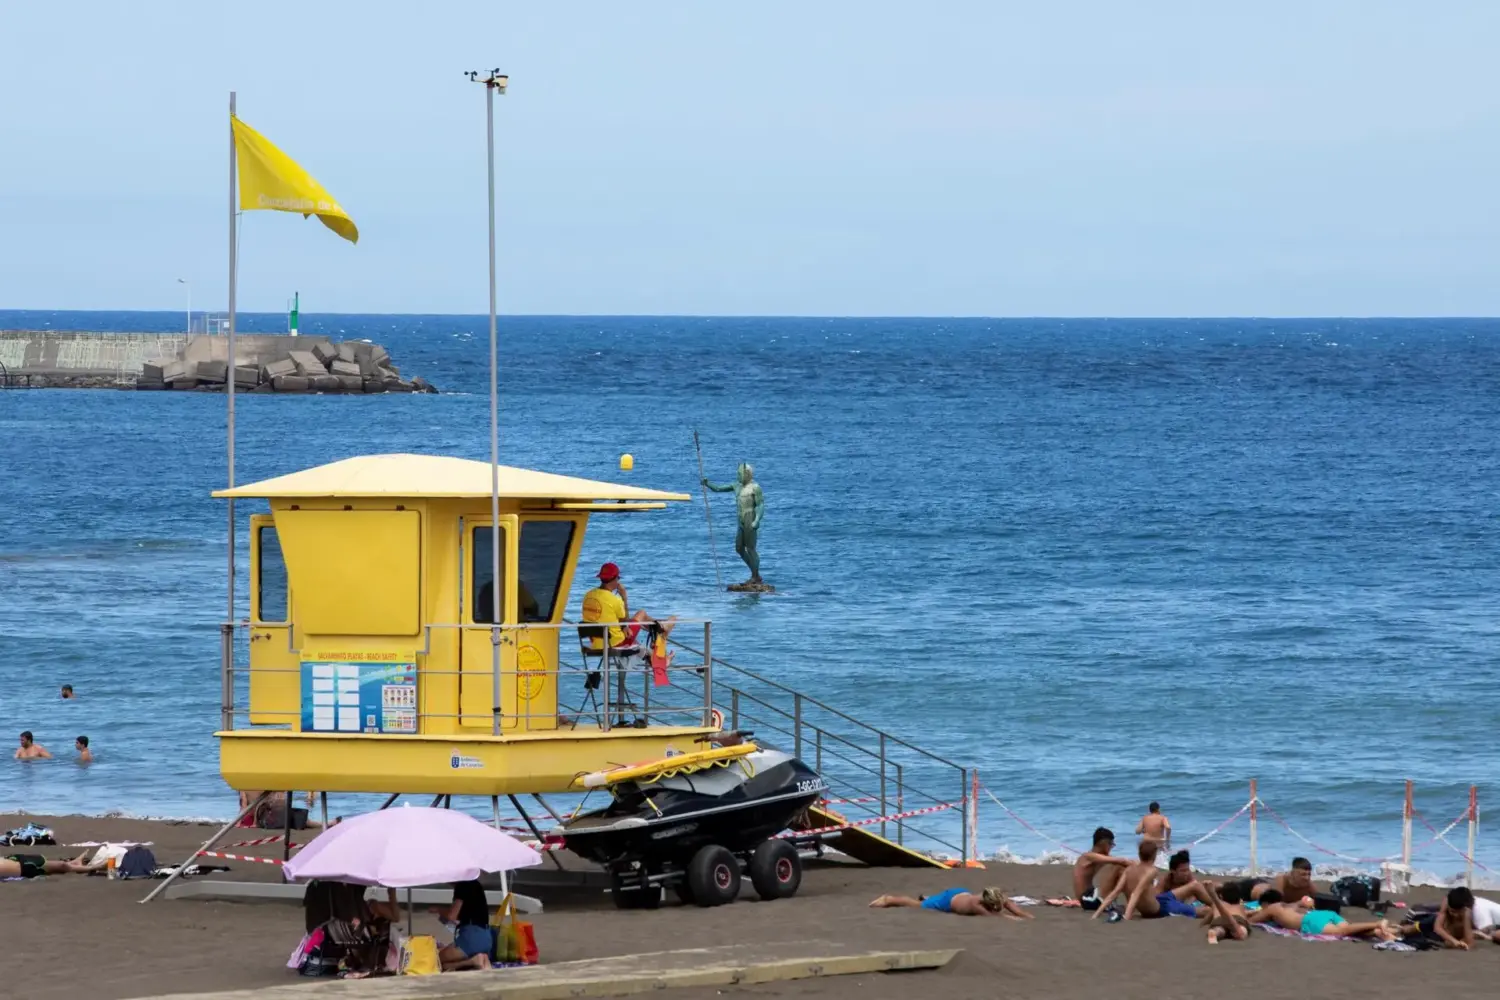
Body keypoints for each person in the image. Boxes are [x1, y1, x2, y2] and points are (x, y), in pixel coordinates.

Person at [580, 562, 676, 652]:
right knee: (641, 614)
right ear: (614, 579)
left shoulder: (588, 595)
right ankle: (661, 630)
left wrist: (624, 625)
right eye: (618, 578)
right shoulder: (614, 599)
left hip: (596, 644)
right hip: (615, 644)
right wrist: (624, 597)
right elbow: (624, 622)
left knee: (634, 634)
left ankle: (659, 631)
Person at [702, 463, 766, 585]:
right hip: (740, 521)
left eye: (739, 474)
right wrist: (707, 484)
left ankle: (755, 576)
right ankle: (755, 573)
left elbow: (760, 505)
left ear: (747, 474)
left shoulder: (755, 487)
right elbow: (719, 489)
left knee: (751, 549)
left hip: (750, 518)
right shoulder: (737, 485)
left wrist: (757, 520)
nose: (738, 476)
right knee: (739, 548)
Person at [1248, 889, 1395, 940]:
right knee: (1350, 930)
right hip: (1323, 914)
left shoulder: (1272, 908)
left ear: (1265, 904)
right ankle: (1378, 932)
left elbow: (1253, 921)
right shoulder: (1292, 905)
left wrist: (1256, 911)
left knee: (1341, 932)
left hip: (1310, 921)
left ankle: (1377, 923)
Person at [432, 879, 493, 970]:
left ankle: (474, 961)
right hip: (486, 938)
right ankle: (478, 960)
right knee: (446, 964)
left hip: (472, 938)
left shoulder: (462, 885)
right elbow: (458, 919)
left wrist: (438, 909)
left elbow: (451, 916)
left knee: (435, 959)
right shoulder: (475, 885)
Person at [869, 886, 1032, 919]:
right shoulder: (976, 906)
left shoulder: (995, 895)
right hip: (948, 902)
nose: (999, 907)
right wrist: (1015, 920)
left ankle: (929, 897)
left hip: (959, 892)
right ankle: (888, 899)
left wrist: (1027, 916)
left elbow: (1012, 907)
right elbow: (996, 917)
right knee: (916, 905)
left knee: (932, 900)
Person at [1071, 827, 1131, 911]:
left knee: (1122, 869)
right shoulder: (1088, 856)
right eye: (1111, 844)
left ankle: (1129, 904)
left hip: (1090, 899)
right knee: (1119, 867)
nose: (1112, 847)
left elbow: (1123, 862)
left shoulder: (1097, 857)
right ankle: (1130, 905)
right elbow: (1121, 861)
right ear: (1103, 843)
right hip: (1087, 900)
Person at [1400, 887, 1476, 949]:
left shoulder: (1467, 911)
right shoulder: (1447, 901)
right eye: (1452, 911)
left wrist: (1459, 943)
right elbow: (1437, 927)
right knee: (1408, 929)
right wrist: (1454, 941)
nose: (1455, 915)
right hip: (1427, 917)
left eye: (1457, 912)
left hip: (1438, 930)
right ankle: (1400, 927)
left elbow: (1469, 942)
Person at [1, 850, 107, 878]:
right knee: (62, 866)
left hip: (15, 860)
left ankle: (74, 863)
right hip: (23, 867)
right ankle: (94, 867)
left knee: (51, 865)